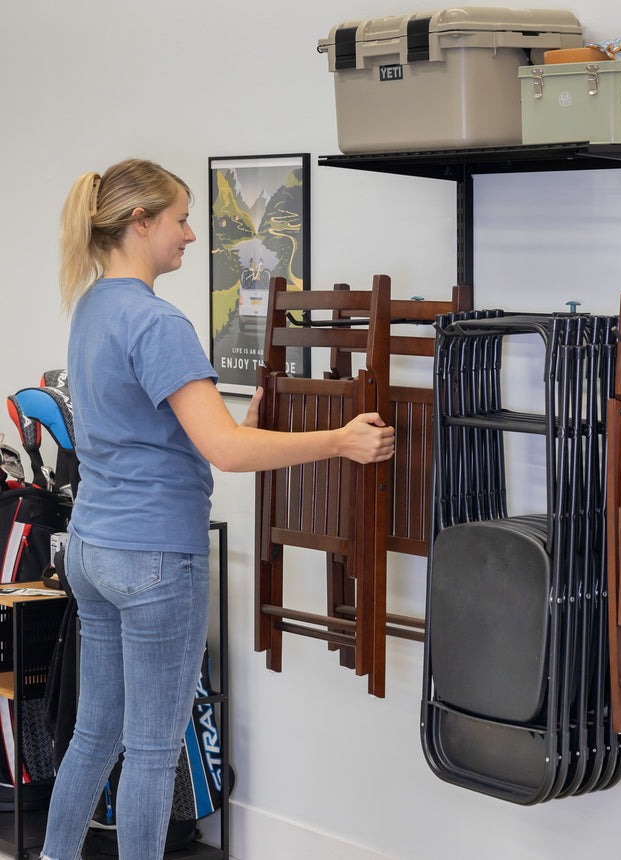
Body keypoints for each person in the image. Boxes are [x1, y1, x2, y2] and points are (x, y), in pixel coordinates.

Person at [41, 158, 394, 860]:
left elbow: (151, 430)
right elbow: (225, 453)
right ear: (140, 224)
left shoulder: (93, 306)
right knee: (151, 749)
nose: (191, 235)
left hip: (92, 549)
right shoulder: (157, 321)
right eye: (178, 219)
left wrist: (251, 423)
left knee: (96, 731)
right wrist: (343, 441)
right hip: (150, 560)